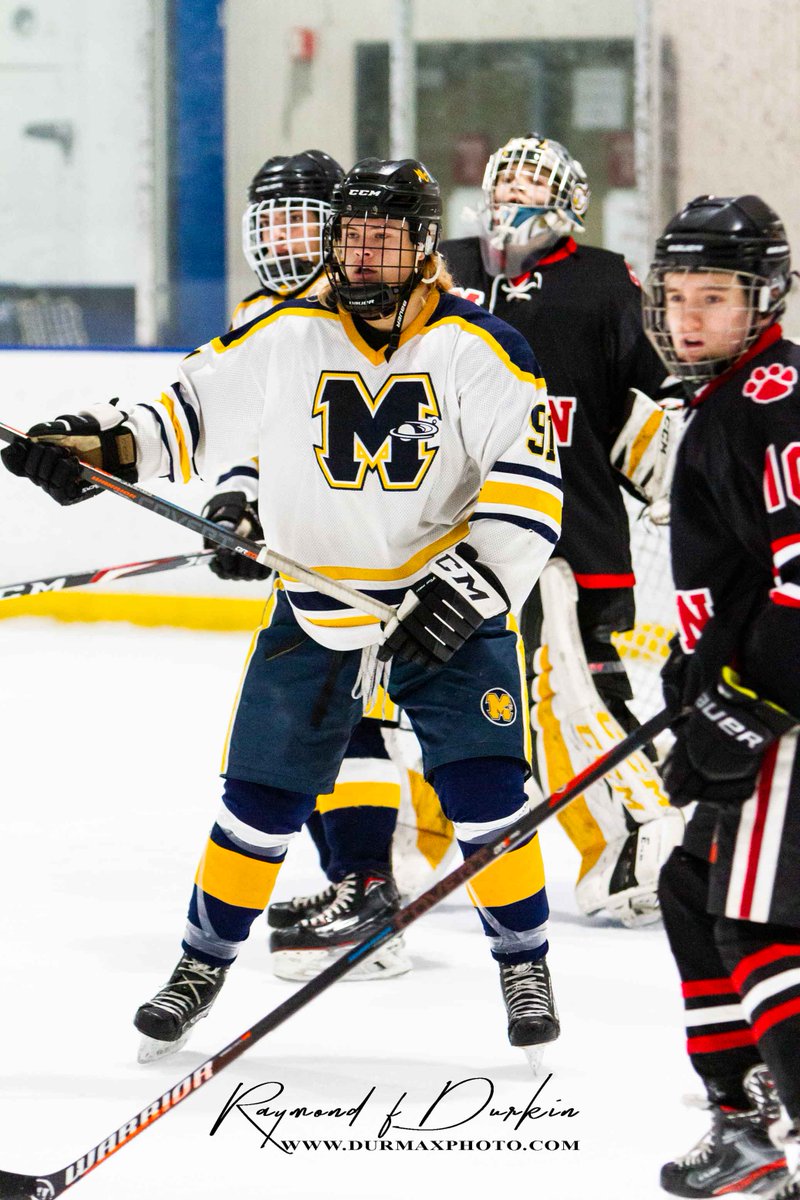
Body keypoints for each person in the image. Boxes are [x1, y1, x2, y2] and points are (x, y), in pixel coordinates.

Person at [2, 157, 563, 1071]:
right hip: (317, 605)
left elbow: (530, 487)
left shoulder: (483, 348)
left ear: (425, 245)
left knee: (488, 796)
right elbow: (182, 413)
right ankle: (200, 964)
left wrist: (468, 589)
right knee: (258, 802)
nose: (362, 255)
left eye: (384, 238)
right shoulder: (288, 330)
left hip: (445, 608)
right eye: (351, 237)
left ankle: (525, 966)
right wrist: (94, 446)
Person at [441, 133, 685, 927]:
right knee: (431, 704)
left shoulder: (605, 282)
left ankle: (636, 848)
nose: (515, 192)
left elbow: (664, 400)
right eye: (506, 179)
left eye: (534, 181)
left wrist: (681, 466)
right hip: (443, 545)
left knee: (575, 705)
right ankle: (389, 856)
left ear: (571, 200)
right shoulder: (445, 270)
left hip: (572, 546)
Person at [201, 148, 417, 983]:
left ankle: (370, 897)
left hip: (385, 555)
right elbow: (254, 430)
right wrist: (238, 503)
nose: (289, 240)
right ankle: (359, 890)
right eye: (276, 222)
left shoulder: (377, 311)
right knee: (316, 723)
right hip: (316, 562)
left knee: (355, 723)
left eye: (305, 221)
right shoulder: (265, 316)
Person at [642, 193, 800, 1198]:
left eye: (713, 296)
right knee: (690, 890)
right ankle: (742, 1118)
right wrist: (692, 680)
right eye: (675, 296)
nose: (689, 316)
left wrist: (744, 706)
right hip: (750, 695)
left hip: (784, 714)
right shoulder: (720, 399)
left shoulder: (774, 399)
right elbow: (733, 573)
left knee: (757, 927)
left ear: (763, 298)